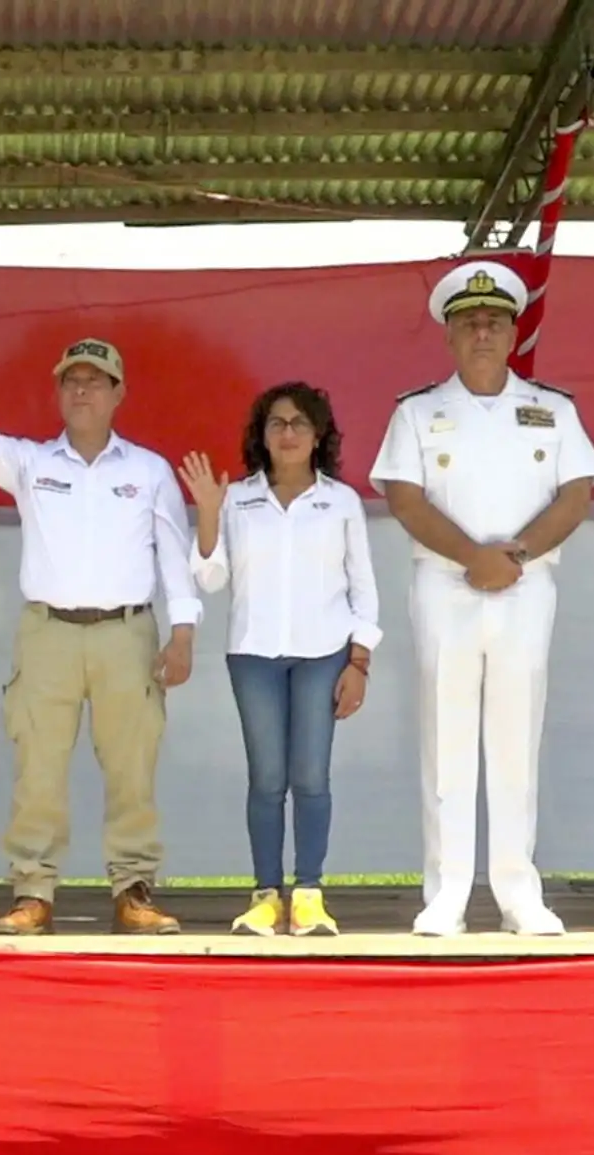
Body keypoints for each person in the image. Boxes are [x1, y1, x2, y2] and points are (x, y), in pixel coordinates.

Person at [0, 315, 200, 936]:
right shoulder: (30, 462)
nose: (82, 391)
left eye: (96, 381)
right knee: (39, 768)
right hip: (48, 633)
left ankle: (134, 890)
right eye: (72, 381)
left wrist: (183, 629)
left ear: (118, 394)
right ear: (59, 394)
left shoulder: (148, 470)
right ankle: (33, 892)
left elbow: (172, 556)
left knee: (133, 767)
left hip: (126, 635)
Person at [369, 262, 594, 937]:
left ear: (513, 332)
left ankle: (517, 892)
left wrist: (515, 556)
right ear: (448, 335)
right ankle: (445, 893)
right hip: (446, 585)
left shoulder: (552, 409)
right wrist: (474, 558)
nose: (482, 330)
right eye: (469, 321)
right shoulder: (418, 411)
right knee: (445, 740)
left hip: (525, 587)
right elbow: (405, 499)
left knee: (514, 738)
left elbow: (574, 494)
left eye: (495, 320)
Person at [180, 381, 379, 937]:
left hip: (324, 655)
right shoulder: (239, 499)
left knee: (310, 776)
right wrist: (209, 515)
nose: (287, 433)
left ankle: (310, 894)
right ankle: (266, 896)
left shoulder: (340, 501)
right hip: (254, 655)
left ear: (318, 436)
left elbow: (363, 588)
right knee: (267, 778)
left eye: (298, 424)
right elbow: (212, 578)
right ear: (261, 436)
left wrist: (359, 661)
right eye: (276, 424)